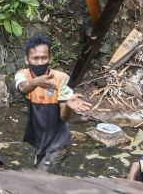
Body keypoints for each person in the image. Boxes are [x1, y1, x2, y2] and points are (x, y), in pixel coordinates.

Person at [15, 35, 92, 173]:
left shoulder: (62, 79)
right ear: (27, 59)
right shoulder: (23, 75)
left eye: (44, 58)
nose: (40, 62)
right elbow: (22, 88)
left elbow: (64, 117)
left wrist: (68, 105)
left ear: (49, 58)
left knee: (39, 180)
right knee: (38, 174)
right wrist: (36, 82)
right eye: (35, 58)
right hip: (40, 140)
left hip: (58, 144)